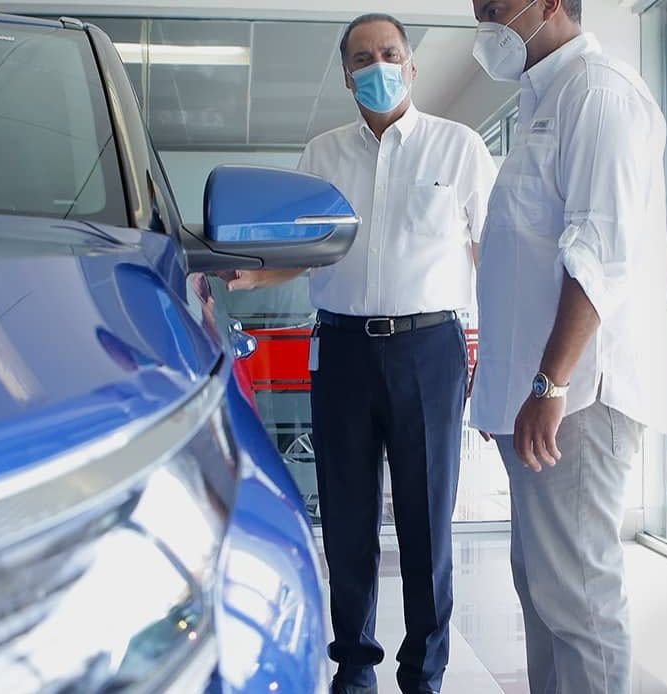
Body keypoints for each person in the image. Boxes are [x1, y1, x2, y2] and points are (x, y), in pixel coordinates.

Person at [227, 13, 498, 694]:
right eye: (362, 58)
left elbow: (492, 256)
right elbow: (304, 247)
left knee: (425, 520)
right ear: (346, 74)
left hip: (429, 349)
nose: (377, 66)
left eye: (389, 53)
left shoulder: (458, 147)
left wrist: (504, 349)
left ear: (410, 64)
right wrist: (256, 275)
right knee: (346, 517)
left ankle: (425, 669)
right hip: (341, 349)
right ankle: (354, 663)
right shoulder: (322, 155)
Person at [467, 1, 667, 693]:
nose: (485, 17)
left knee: (579, 602)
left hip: (576, 399)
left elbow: (602, 253)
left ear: (551, 3)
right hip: (543, 398)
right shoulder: (543, 102)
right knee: (544, 592)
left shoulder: (598, 92)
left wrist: (550, 382)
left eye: (496, 5)